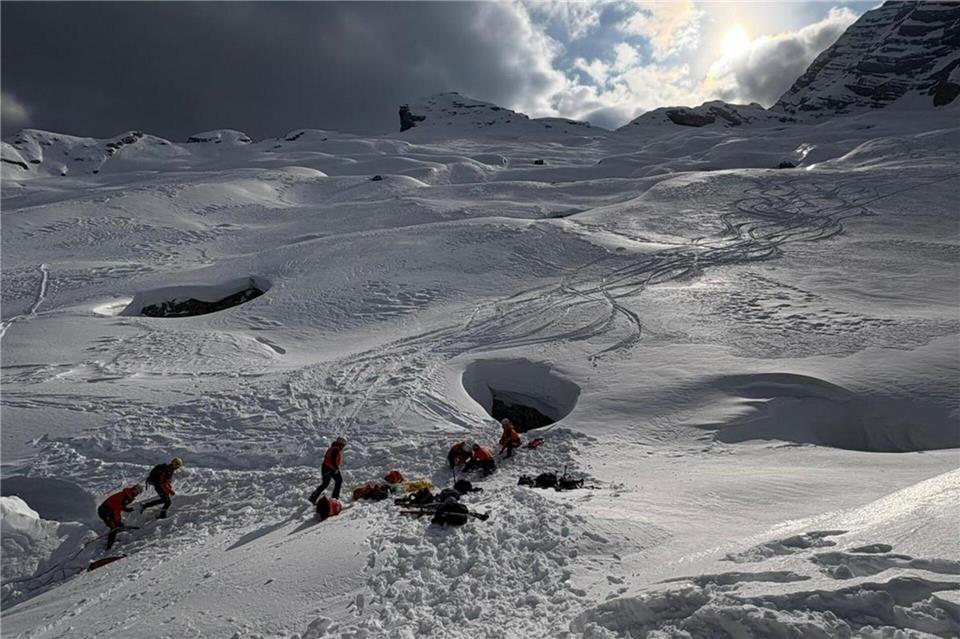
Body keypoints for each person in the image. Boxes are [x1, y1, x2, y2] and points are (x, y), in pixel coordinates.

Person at [310, 437, 346, 503]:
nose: (343, 447)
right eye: (343, 445)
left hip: (326, 467)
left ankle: (313, 498)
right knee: (339, 480)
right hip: (330, 468)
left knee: (325, 484)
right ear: (340, 444)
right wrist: (336, 469)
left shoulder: (334, 447)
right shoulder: (336, 449)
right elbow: (333, 460)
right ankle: (335, 498)